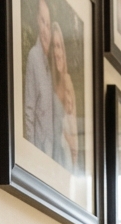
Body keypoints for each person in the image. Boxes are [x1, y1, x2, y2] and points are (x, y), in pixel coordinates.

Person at [24, 0, 55, 155]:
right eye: (43, 22)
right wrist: (31, 154)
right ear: (37, 21)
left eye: (48, 25)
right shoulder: (34, 57)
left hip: (48, 151)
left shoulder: (48, 64)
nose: (45, 29)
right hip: (38, 148)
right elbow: (29, 111)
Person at [50, 22, 78, 170]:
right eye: (54, 46)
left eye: (59, 46)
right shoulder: (50, 84)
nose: (57, 52)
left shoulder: (67, 81)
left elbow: (74, 133)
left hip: (67, 157)